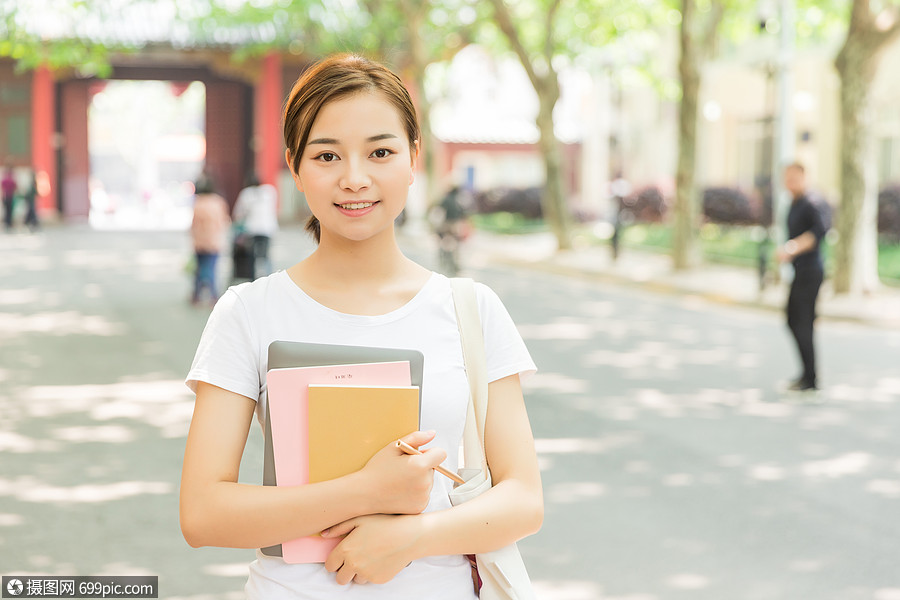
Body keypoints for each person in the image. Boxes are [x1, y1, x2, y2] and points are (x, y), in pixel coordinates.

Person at [180, 54, 543, 599]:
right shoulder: (248, 311)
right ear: (295, 166)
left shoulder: (470, 308)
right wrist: (366, 490)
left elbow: (524, 499)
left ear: (413, 158)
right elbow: (203, 513)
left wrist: (413, 537)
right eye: (327, 155)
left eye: (380, 152)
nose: (355, 179)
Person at [776, 162, 826, 392]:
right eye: (787, 178)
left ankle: (810, 380)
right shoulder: (793, 202)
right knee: (793, 320)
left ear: (804, 178)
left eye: (794, 178)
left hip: (811, 272)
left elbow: (819, 231)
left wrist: (792, 248)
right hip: (800, 270)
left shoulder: (813, 202)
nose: (790, 183)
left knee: (802, 322)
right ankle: (806, 375)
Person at [189, 174, 231, 306]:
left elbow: (194, 224)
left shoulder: (198, 203)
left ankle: (196, 295)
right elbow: (224, 221)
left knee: (199, 269)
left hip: (199, 242)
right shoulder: (218, 202)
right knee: (211, 269)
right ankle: (213, 295)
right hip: (214, 241)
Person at [233, 172, 279, 279]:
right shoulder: (270, 191)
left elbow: (238, 214)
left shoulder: (246, 194)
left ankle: (253, 279)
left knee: (251, 256)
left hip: (252, 229)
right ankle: (269, 278)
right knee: (266, 255)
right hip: (268, 228)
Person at [428, 184, 471, 276]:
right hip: (456, 225)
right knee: (455, 245)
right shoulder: (459, 200)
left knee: (444, 243)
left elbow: (439, 211)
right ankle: (454, 264)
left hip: (446, 225)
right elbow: (464, 213)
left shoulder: (446, 200)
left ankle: (444, 260)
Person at [2, 164, 16, 232]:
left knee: (6, 211)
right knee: (10, 211)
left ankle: (7, 223)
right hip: (10, 196)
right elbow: (15, 187)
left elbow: (2, 187)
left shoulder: (5, 179)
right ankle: (9, 223)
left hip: (6, 196)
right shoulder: (11, 179)